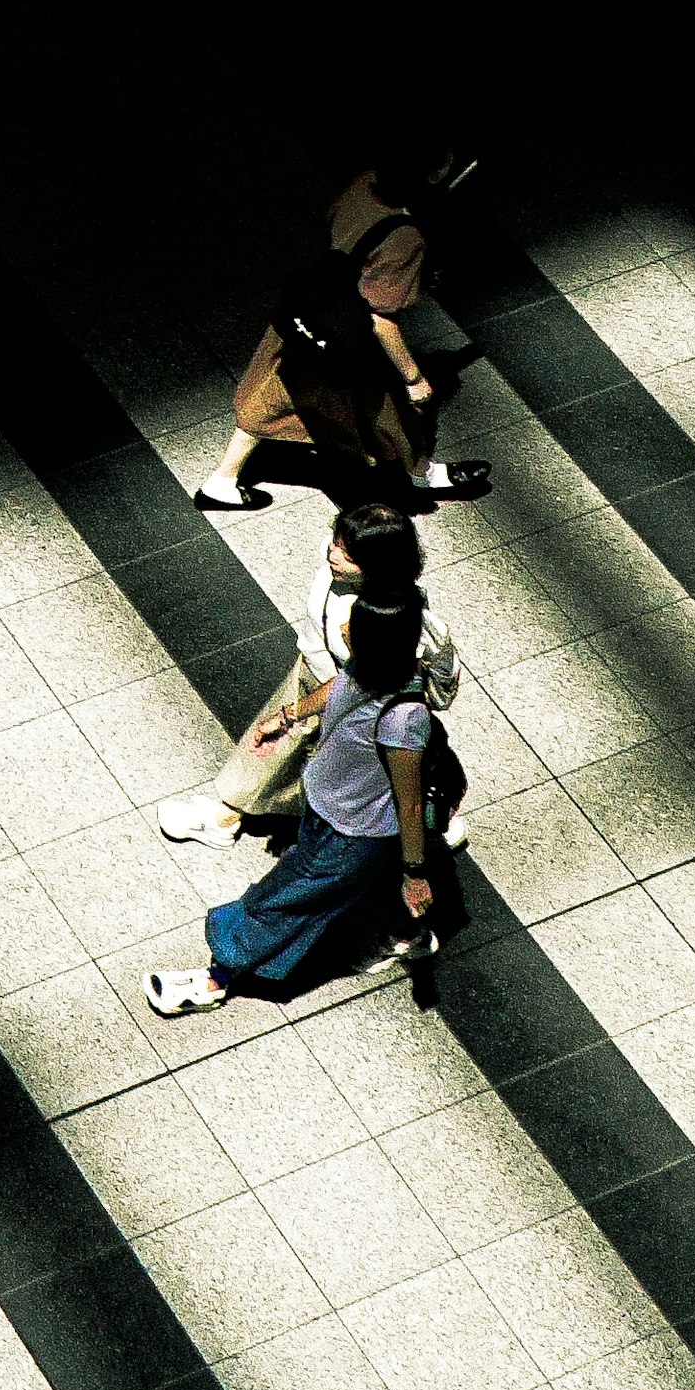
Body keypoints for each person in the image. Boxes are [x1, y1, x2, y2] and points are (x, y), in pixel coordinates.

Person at [148, 590, 442, 1014]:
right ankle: (403, 929)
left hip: (353, 833)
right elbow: (338, 686)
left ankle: (216, 979)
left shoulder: (403, 718)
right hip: (328, 808)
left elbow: (409, 803)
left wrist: (415, 872)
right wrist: (288, 716)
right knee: (325, 891)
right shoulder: (370, 668)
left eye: (353, 628)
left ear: (380, 644)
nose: (342, 629)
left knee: (283, 899)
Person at [159, 500, 470, 856]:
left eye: (349, 556)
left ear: (379, 567)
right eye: (336, 542)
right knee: (291, 749)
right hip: (316, 672)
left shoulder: (382, 619)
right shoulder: (344, 570)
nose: (334, 555)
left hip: (348, 698)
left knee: (312, 757)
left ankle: (226, 816)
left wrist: (295, 712)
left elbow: (361, 679)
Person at [197, 146, 487, 513]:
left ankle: (222, 480)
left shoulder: (363, 184)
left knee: (273, 391)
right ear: (431, 174)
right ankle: (420, 476)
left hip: (313, 314)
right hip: (347, 340)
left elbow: (335, 221)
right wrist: (415, 377)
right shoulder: (405, 237)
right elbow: (381, 318)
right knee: (384, 409)